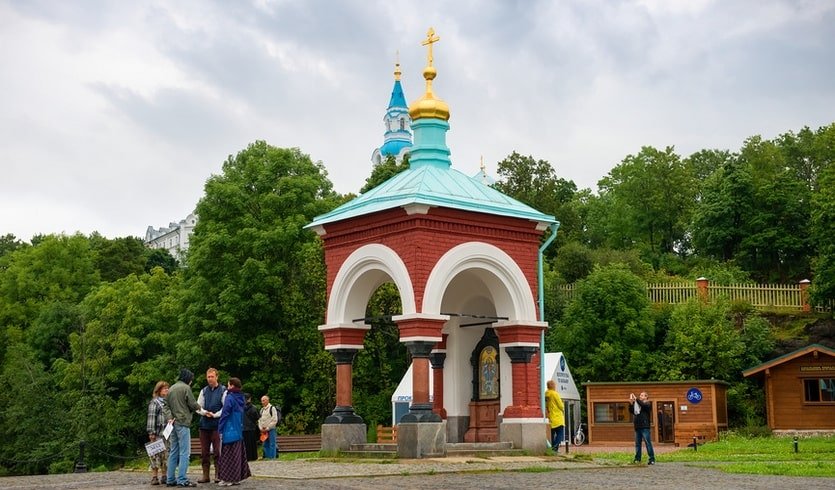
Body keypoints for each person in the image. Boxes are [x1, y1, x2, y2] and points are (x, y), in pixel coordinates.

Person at [163, 369, 201, 487]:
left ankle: (170, 479)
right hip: (183, 422)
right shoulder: (186, 388)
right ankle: (182, 479)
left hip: (173, 423)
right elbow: (192, 404)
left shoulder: (171, 389)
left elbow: (165, 406)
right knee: (185, 452)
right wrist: (201, 408)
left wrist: (169, 417)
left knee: (173, 451)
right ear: (188, 379)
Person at [217, 377, 252, 486]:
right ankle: (236, 478)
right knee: (237, 455)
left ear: (232, 385)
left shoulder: (230, 397)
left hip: (229, 428)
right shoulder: (241, 398)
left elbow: (225, 413)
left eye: (228, 385)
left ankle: (227, 479)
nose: (227, 387)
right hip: (238, 429)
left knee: (227, 455)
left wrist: (220, 427)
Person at [196, 367, 226, 483]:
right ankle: (205, 475)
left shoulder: (223, 390)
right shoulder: (203, 391)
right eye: (208, 377)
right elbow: (198, 407)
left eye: (212, 376)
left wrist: (215, 415)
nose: (210, 379)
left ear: (217, 377)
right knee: (204, 452)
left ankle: (218, 474)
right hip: (204, 425)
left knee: (218, 452)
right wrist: (205, 413)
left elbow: (225, 408)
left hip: (217, 425)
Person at [146, 381, 170, 486]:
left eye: (167, 388)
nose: (166, 390)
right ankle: (154, 476)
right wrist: (151, 433)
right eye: (164, 388)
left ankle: (164, 475)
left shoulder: (168, 402)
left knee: (166, 455)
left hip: (167, 433)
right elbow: (151, 417)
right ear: (159, 390)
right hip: (157, 433)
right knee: (155, 455)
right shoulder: (154, 402)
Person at [630, 391, 656, 465]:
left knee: (648, 443)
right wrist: (631, 403)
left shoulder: (647, 404)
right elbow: (632, 411)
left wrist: (636, 399)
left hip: (645, 427)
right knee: (638, 444)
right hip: (637, 427)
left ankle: (652, 459)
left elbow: (643, 405)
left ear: (646, 397)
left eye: (642, 395)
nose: (640, 396)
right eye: (640, 395)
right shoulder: (637, 404)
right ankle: (637, 458)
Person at [544, 379, 565, 449]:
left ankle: (552, 448)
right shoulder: (555, 394)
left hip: (550, 417)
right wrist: (563, 407)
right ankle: (555, 448)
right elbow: (560, 405)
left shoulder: (546, 394)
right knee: (560, 434)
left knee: (552, 434)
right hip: (557, 417)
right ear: (553, 386)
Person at [258, 395, 279, 459]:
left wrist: (268, 428)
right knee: (265, 444)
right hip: (263, 431)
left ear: (267, 400)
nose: (262, 402)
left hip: (271, 429)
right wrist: (260, 428)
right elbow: (259, 420)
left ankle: (273, 458)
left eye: (264, 400)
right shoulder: (261, 410)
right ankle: (267, 457)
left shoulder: (272, 408)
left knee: (272, 444)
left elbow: (275, 420)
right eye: (261, 401)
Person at [242, 393, 260, 461]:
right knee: (252, 443)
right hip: (252, 428)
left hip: (243, 428)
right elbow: (257, 418)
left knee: (245, 444)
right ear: (250, 399)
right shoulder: (254, 408)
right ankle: (253, 457)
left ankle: (245, 457)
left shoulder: (241, 408)